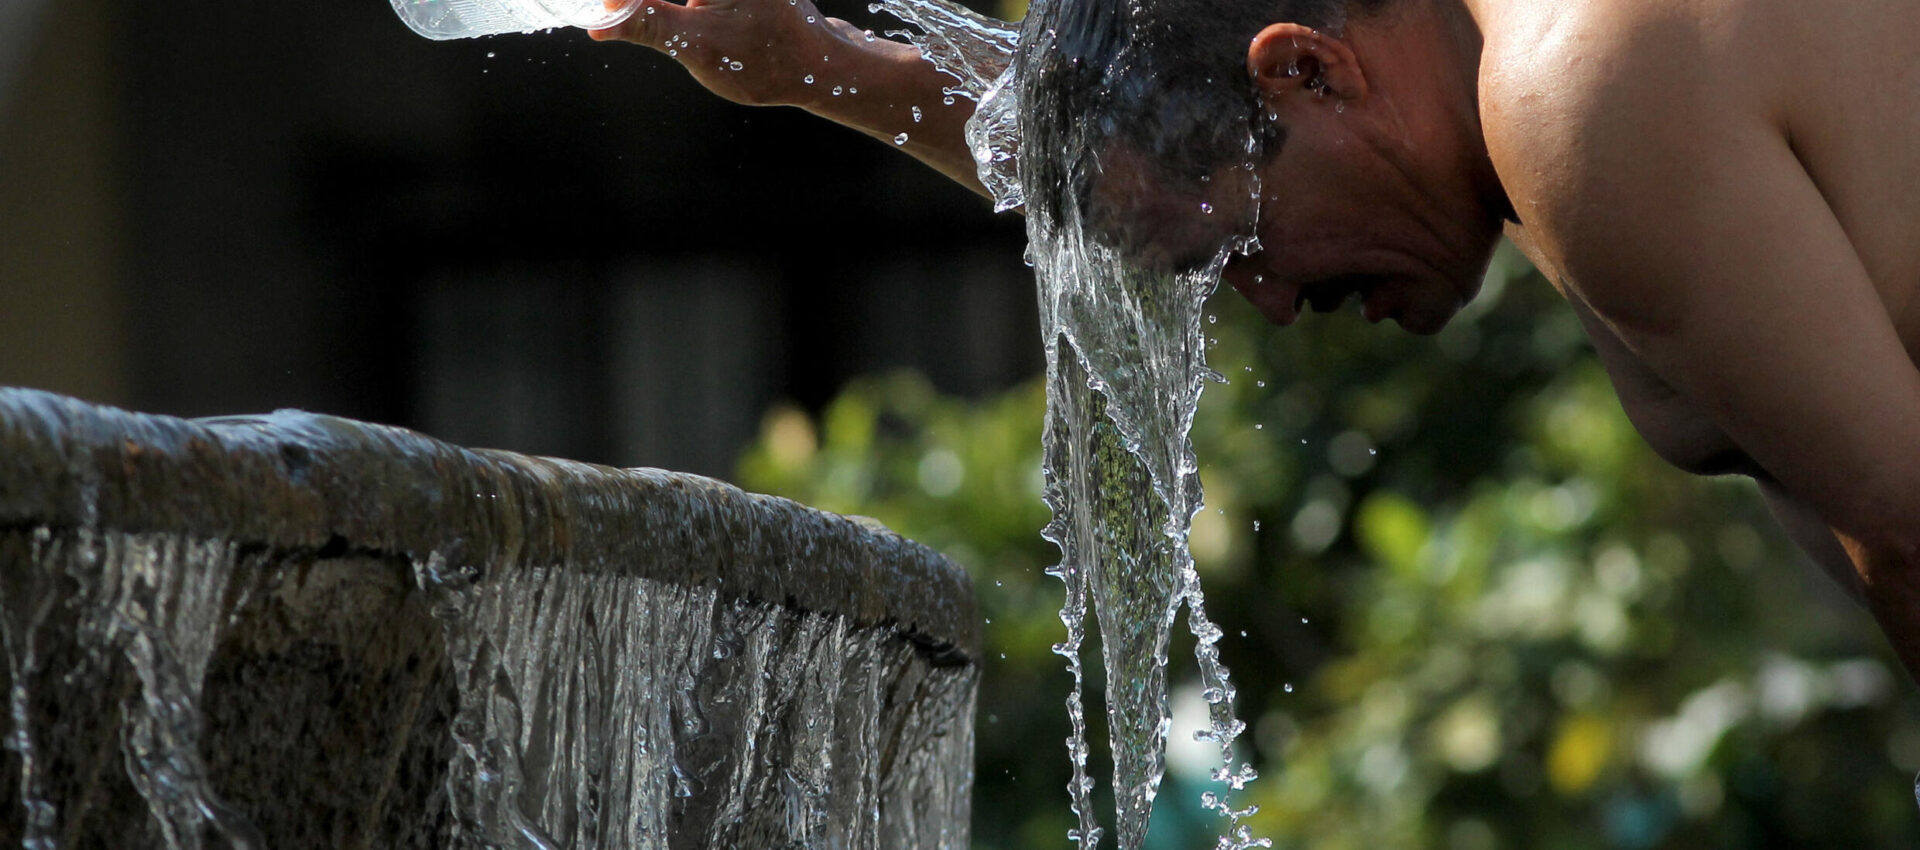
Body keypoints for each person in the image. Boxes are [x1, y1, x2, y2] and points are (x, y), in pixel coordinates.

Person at [591, 0, 1920, 681]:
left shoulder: (1573, 112)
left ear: (1310, 72)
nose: (1271, 304)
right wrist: (812, 60)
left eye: (1236, 253)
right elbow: (1145, 143)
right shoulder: (1510, 76)